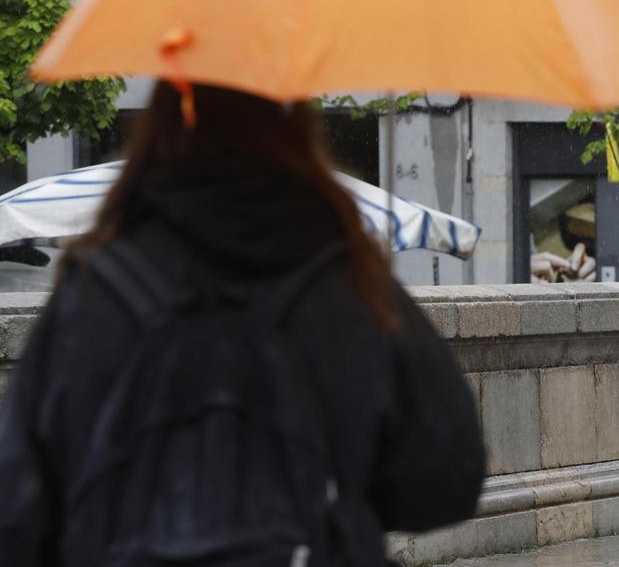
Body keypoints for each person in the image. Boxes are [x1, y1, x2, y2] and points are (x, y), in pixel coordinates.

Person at [0, 82, 486, 566]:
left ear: (160, 127)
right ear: (294, 130)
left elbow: (20, 506)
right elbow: (448, 476)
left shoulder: (95, 291)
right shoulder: (348, 283)